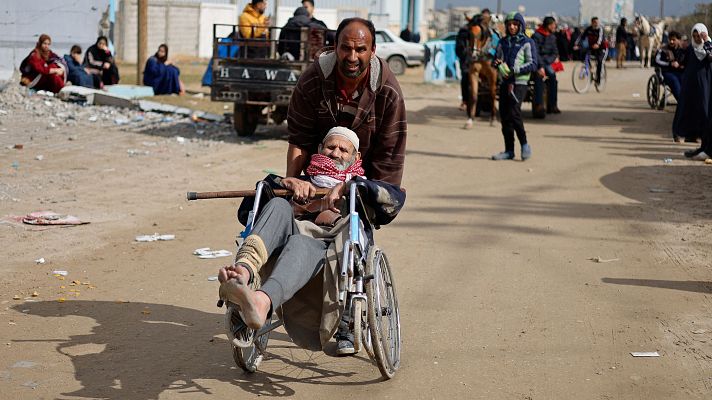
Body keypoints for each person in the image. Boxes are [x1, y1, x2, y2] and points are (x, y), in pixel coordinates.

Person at [217, 18, 407, 356]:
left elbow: (389, 169)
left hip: (337, 222)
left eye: (360, 49)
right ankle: (243, 275)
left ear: (373, 51)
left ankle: (262, 302)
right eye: (345, 47)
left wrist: (353, 189)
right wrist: (293, 182)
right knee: (274, 203)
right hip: (300, 212)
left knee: (306, 244)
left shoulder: (388, 93)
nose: (352, 55)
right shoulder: (312, 79)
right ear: (335, 47)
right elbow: (300, 139)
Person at [491, 12, 538, 161]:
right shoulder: (502, 42)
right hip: (505, 82)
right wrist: (497, 64)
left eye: (515, 24)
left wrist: (514, 70)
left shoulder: (528, 42)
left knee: (514, 112)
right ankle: (509, 151)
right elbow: (496, 60)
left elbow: (533, 64)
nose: (512, 27)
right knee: (504, 115)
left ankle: (524, 145)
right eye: (509, 24)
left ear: (520, 25)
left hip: (520, 83)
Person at [674, 24, 712, 154]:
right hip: (691, 84)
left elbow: (711, 55)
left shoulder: (708, 46)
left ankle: (705, 142)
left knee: (705, 110)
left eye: (699, 35)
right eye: (694, 36)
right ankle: (688, 135)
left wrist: (706, 40)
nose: (697, 38)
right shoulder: (690, 48)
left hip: (705, 84)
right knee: (688, 108)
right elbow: (681, 60)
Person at [532, 16, 560, 115]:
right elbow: (535, 52)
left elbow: (555, 52)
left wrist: (546, 62)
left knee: (553, 77)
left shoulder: (552, 37)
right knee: (539, 77)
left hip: (547, 62)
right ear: (548, 25)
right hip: (537, 62)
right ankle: (538, 105)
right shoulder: (536, 35)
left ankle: (553, 105)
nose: (554, 27)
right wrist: (541, 66)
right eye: (553, 25)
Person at [654, 31, 686, 101]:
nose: (671, 41)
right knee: (674, 81)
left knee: (685, 80)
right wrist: (669, 64)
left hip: (679, 72)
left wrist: (679, 64)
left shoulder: (682, 50)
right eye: (670, 39)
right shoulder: (663, 49)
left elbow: (685, 61)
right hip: (667, 72)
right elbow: (657, 61)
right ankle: (681, 102)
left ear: (678, 40)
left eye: (674, 40)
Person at [574, 17, 606, 84]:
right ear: (592, 23)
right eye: (595, 22)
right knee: (584, 54)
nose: (596, 23)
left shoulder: (600, 29)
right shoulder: (588, 29)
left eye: (597, 22)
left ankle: (598, 79)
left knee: (599, 61)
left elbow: (600, 38)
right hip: (592, 47)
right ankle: (589, 67)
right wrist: (577, 44)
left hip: (601, 48)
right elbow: (581, 37)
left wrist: (597, 44)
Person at [455, 20, 472, 111]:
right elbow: (459, 49)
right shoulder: (463, 32)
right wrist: (465, 56)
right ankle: (465, 101)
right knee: (465, 78)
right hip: (466, 61)